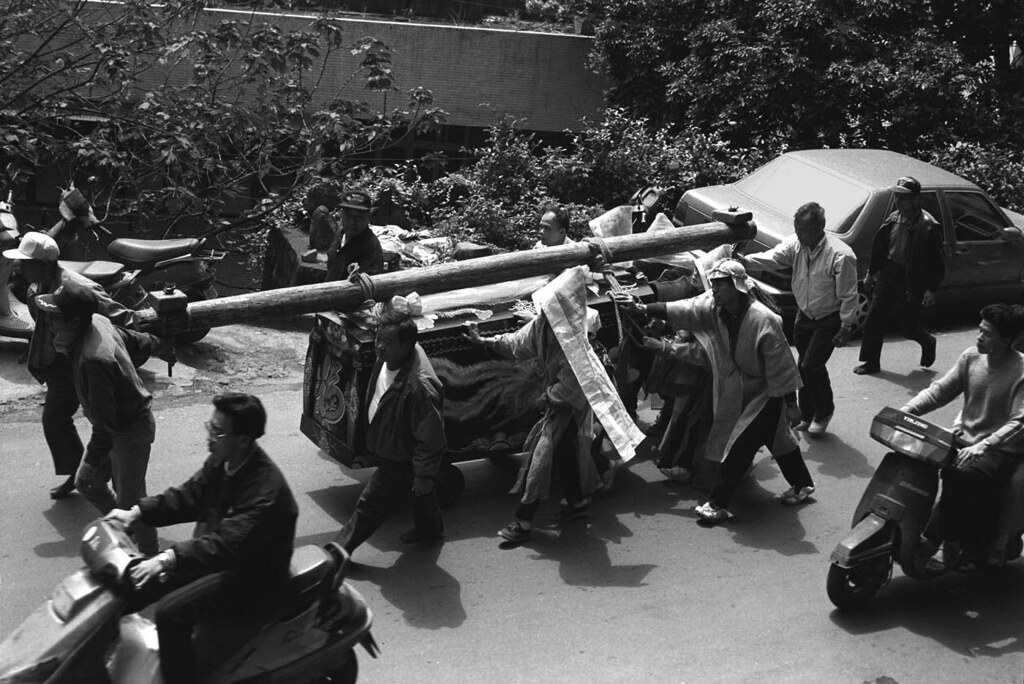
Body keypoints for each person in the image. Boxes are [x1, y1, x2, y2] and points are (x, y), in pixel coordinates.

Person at [105, 393, 298, 684]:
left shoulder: (265, 493)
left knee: (171, 613)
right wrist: (135, 513)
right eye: (210, 426)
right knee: (130, 582)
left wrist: (166, 558)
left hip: (249, 580)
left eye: (218, 431)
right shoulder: (223, 462)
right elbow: (189, 496)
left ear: (244, 439)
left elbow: (225, 544)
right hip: (218, 560)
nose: (210, 436)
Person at [615, 258, 816, 525]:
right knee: (776, 437)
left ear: (737, 286)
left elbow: (782, 366)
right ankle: (803, 483)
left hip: (766, 393)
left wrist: (791, 403)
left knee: (739, 445)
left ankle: (717, 503)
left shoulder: (764, 319)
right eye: (714, 285)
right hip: (737, 388)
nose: (715, 290)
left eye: (720, 285)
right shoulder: (714, 308)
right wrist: (642, 308)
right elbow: (682, 308)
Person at [3, 232, 160, 499]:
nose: (19, 267)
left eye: (25, 262)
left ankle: (105, 483)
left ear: (43, 264)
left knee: (104, 421)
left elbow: (116, 315)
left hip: (82, 363)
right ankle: (79, 473)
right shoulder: (35, 288)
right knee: (55, 419)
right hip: (60, 366)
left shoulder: (76, 289)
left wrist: (152, 338)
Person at [35, 284, 158, 553]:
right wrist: (157, 342)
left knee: (131, 503)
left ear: (75, 322)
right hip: (117, 428)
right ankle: (124, 534)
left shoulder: (94, 361)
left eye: (54, 316)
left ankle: (150, 558)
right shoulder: (99, 321)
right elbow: (134, 340)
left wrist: (90, 461)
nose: (48, 321)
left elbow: (105, 424)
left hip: (129, 431)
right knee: (88, 483)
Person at [464, 310, 604, 544]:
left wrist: (546, 399)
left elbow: (570, 387)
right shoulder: (541, 326)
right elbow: (517, 342)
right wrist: (485, 341)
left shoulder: (574, 342)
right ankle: (578, 502)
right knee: (563, 453)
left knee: (540, 459)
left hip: (569, 406)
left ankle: (523, 521)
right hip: (557, 401)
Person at [901, 304, 1024, 569]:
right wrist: (907, 411)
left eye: (987, 334)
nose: (979, 337)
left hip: (1001, 450)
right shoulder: (970, 357)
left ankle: (944, 539)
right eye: (979, 331)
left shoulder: (1021, 370)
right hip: (966, 439)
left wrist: (985, 444)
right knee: (915, 455)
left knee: (962, 474)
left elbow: (1020, 420)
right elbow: (940, 391)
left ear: (1006, 340)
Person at [336, 301, 447, 554]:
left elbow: (430, 437)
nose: (378, 347)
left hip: (400, 454)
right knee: (420, 492)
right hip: (394, 443)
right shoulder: (390, 356)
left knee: (370, 503)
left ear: (406, 345)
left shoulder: (419, 387)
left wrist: (424, 474)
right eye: (377, 339)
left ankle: (339, 550)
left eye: (386, 343)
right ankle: (430, 530)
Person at [741, 201, 858, 435]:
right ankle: (806, 414)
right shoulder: (797, 245)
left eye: (803, 230)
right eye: (796, 229)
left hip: (829, 318)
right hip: (804, 316)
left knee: (811, 366)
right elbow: (774, 257)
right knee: (802, 367)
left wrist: (846, 326)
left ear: (819, 228)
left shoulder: (840, 255)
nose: (798, 234)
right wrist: (745, 262)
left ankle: (824, 411)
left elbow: (848, 294)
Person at [854, 176, 944, 375]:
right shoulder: (893, 218)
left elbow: (936, 262)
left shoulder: (927, 226)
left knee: (907, 325)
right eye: (897, 197)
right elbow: (880, 248)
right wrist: (871, 274)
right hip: (888, 273)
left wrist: (931, 288)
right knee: (874, 318)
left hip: (911, 279)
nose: (899, 201)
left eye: (903, 198)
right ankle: (871, 362)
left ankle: (927, 341)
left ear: (915, 199)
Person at [325, 188, 384, 282]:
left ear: (369, 217)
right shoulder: (340, 234)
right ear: (341, 214)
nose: (352, 222)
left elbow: (367, 286)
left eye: (359, 217)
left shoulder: (371, 248)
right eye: (348, 215)